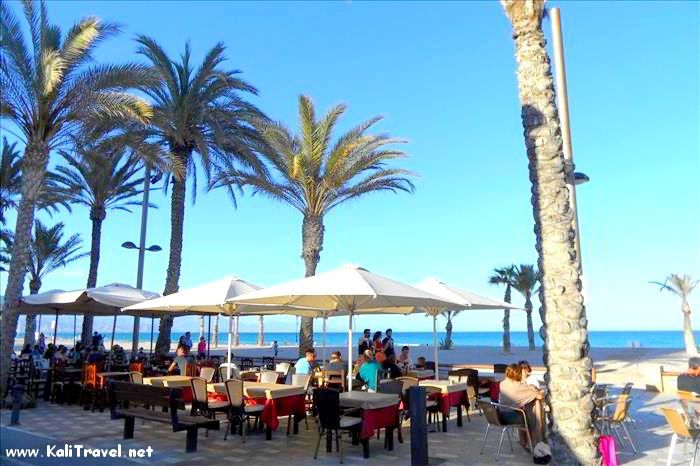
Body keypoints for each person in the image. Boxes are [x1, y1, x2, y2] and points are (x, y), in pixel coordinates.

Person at [499, 363, 545, 448]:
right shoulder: (517, 386)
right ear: (518, 373)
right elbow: (539, 396)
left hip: (500, 415)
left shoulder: (503, 383)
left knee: (528, 409)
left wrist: (528, 387)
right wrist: (540, 391)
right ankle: (535, 440)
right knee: (534, 409)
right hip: (511, 417)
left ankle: (524, 440)